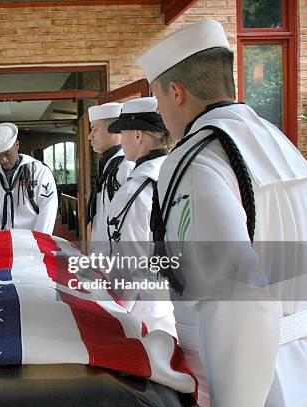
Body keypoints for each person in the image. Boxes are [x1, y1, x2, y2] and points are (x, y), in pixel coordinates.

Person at [138, 20, 307, 406]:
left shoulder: (196, 159)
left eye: (159, 98)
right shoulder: (278, 143)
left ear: (176, 92)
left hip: (246, 380)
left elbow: (237, 297)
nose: (160, 111)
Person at [104, 97, 176, 336]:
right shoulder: (178, 177)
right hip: (176, 306)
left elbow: (132, 265)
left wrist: (115, 311)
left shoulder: (133, 193)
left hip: (144, 313)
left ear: (137, 135)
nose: (121, 141)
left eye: (123, 133)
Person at [0, 122, 58, 234]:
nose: (3, 160)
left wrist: (38, 242)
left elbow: (48, 211)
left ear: (17, 145)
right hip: (5, 240)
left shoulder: (40, 172)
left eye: (7, 154)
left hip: (33, 237)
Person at [85, 102, 135, 247]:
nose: (90, 136)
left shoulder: (126, 167)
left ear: (115, 130)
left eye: (94, 129)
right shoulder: (111, 164)